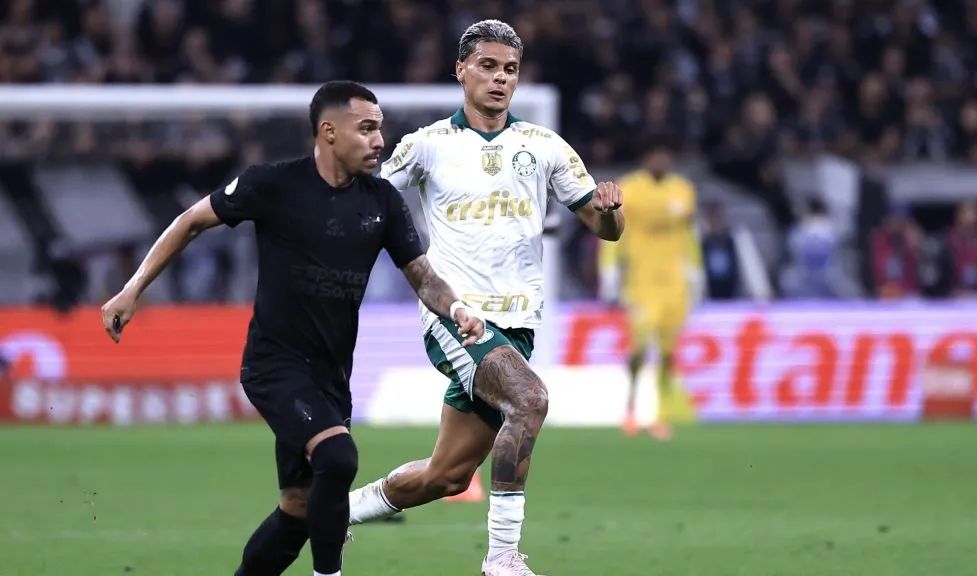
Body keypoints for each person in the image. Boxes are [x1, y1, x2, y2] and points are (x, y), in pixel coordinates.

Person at [99, 80, 484, 576]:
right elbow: (191, 221)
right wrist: (132, 289)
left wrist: (457, 310)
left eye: (380, 129)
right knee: (338, 457)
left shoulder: (382, 201)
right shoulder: (273, 184)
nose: (379, 141)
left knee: (298, 509)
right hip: (274, 365)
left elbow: (424, 277)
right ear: (329, 132)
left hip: (331, 374)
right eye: (366, 129)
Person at [346, 19, 625, 576]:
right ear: (461, 70)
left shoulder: (543, 146)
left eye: (510, 69)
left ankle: (334, 510)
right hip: (456, 315)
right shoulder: (427, 145)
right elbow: (365, 201)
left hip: (518, 324)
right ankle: (501, 558)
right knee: (530, 399)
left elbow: (604, 228)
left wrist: (611, 210)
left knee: (446, 476)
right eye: (488, 66)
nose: (500, 79)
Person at [598, 137, 702, 439]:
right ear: (645, 159)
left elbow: (688, 235)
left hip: (675, 283)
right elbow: (613, 231)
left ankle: (661, 415)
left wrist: (696, 273)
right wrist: (609, 273)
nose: (661, 161)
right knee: (641, 346)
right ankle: (631, 407)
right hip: (640, 282)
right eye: (656, 155)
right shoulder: (628, 190)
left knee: (668, 353)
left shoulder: (683, 190)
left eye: (666, 156)